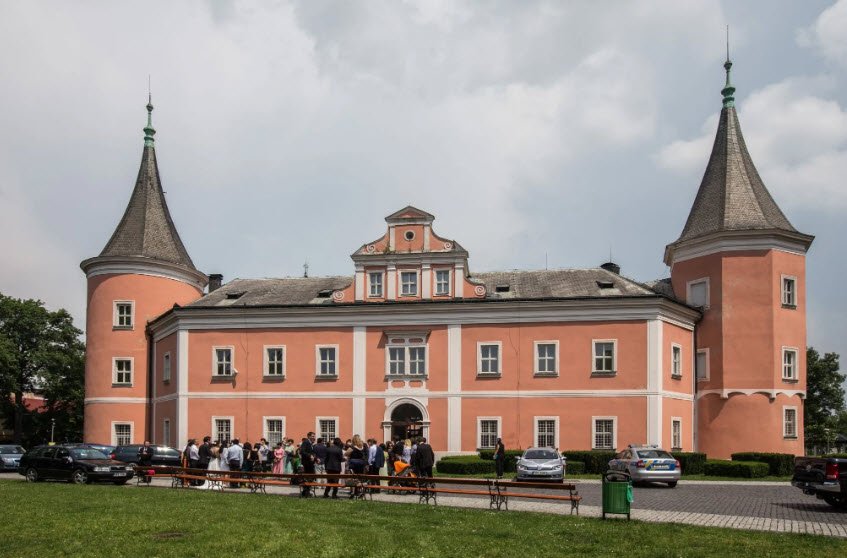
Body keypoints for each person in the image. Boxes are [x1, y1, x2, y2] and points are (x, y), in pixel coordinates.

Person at [299, 432, 316, 497]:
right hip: (306, 464)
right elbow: (302, 451)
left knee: (310, 477)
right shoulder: (306, 442)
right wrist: (310, 456)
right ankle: (306, 492)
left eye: (314, 436)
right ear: (308, 436)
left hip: (310, 463)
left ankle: (306, 491)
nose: (313, 437)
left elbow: (311, 453)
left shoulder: (311, 443)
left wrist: (315, 458)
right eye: (312, 436)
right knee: (308, 477)